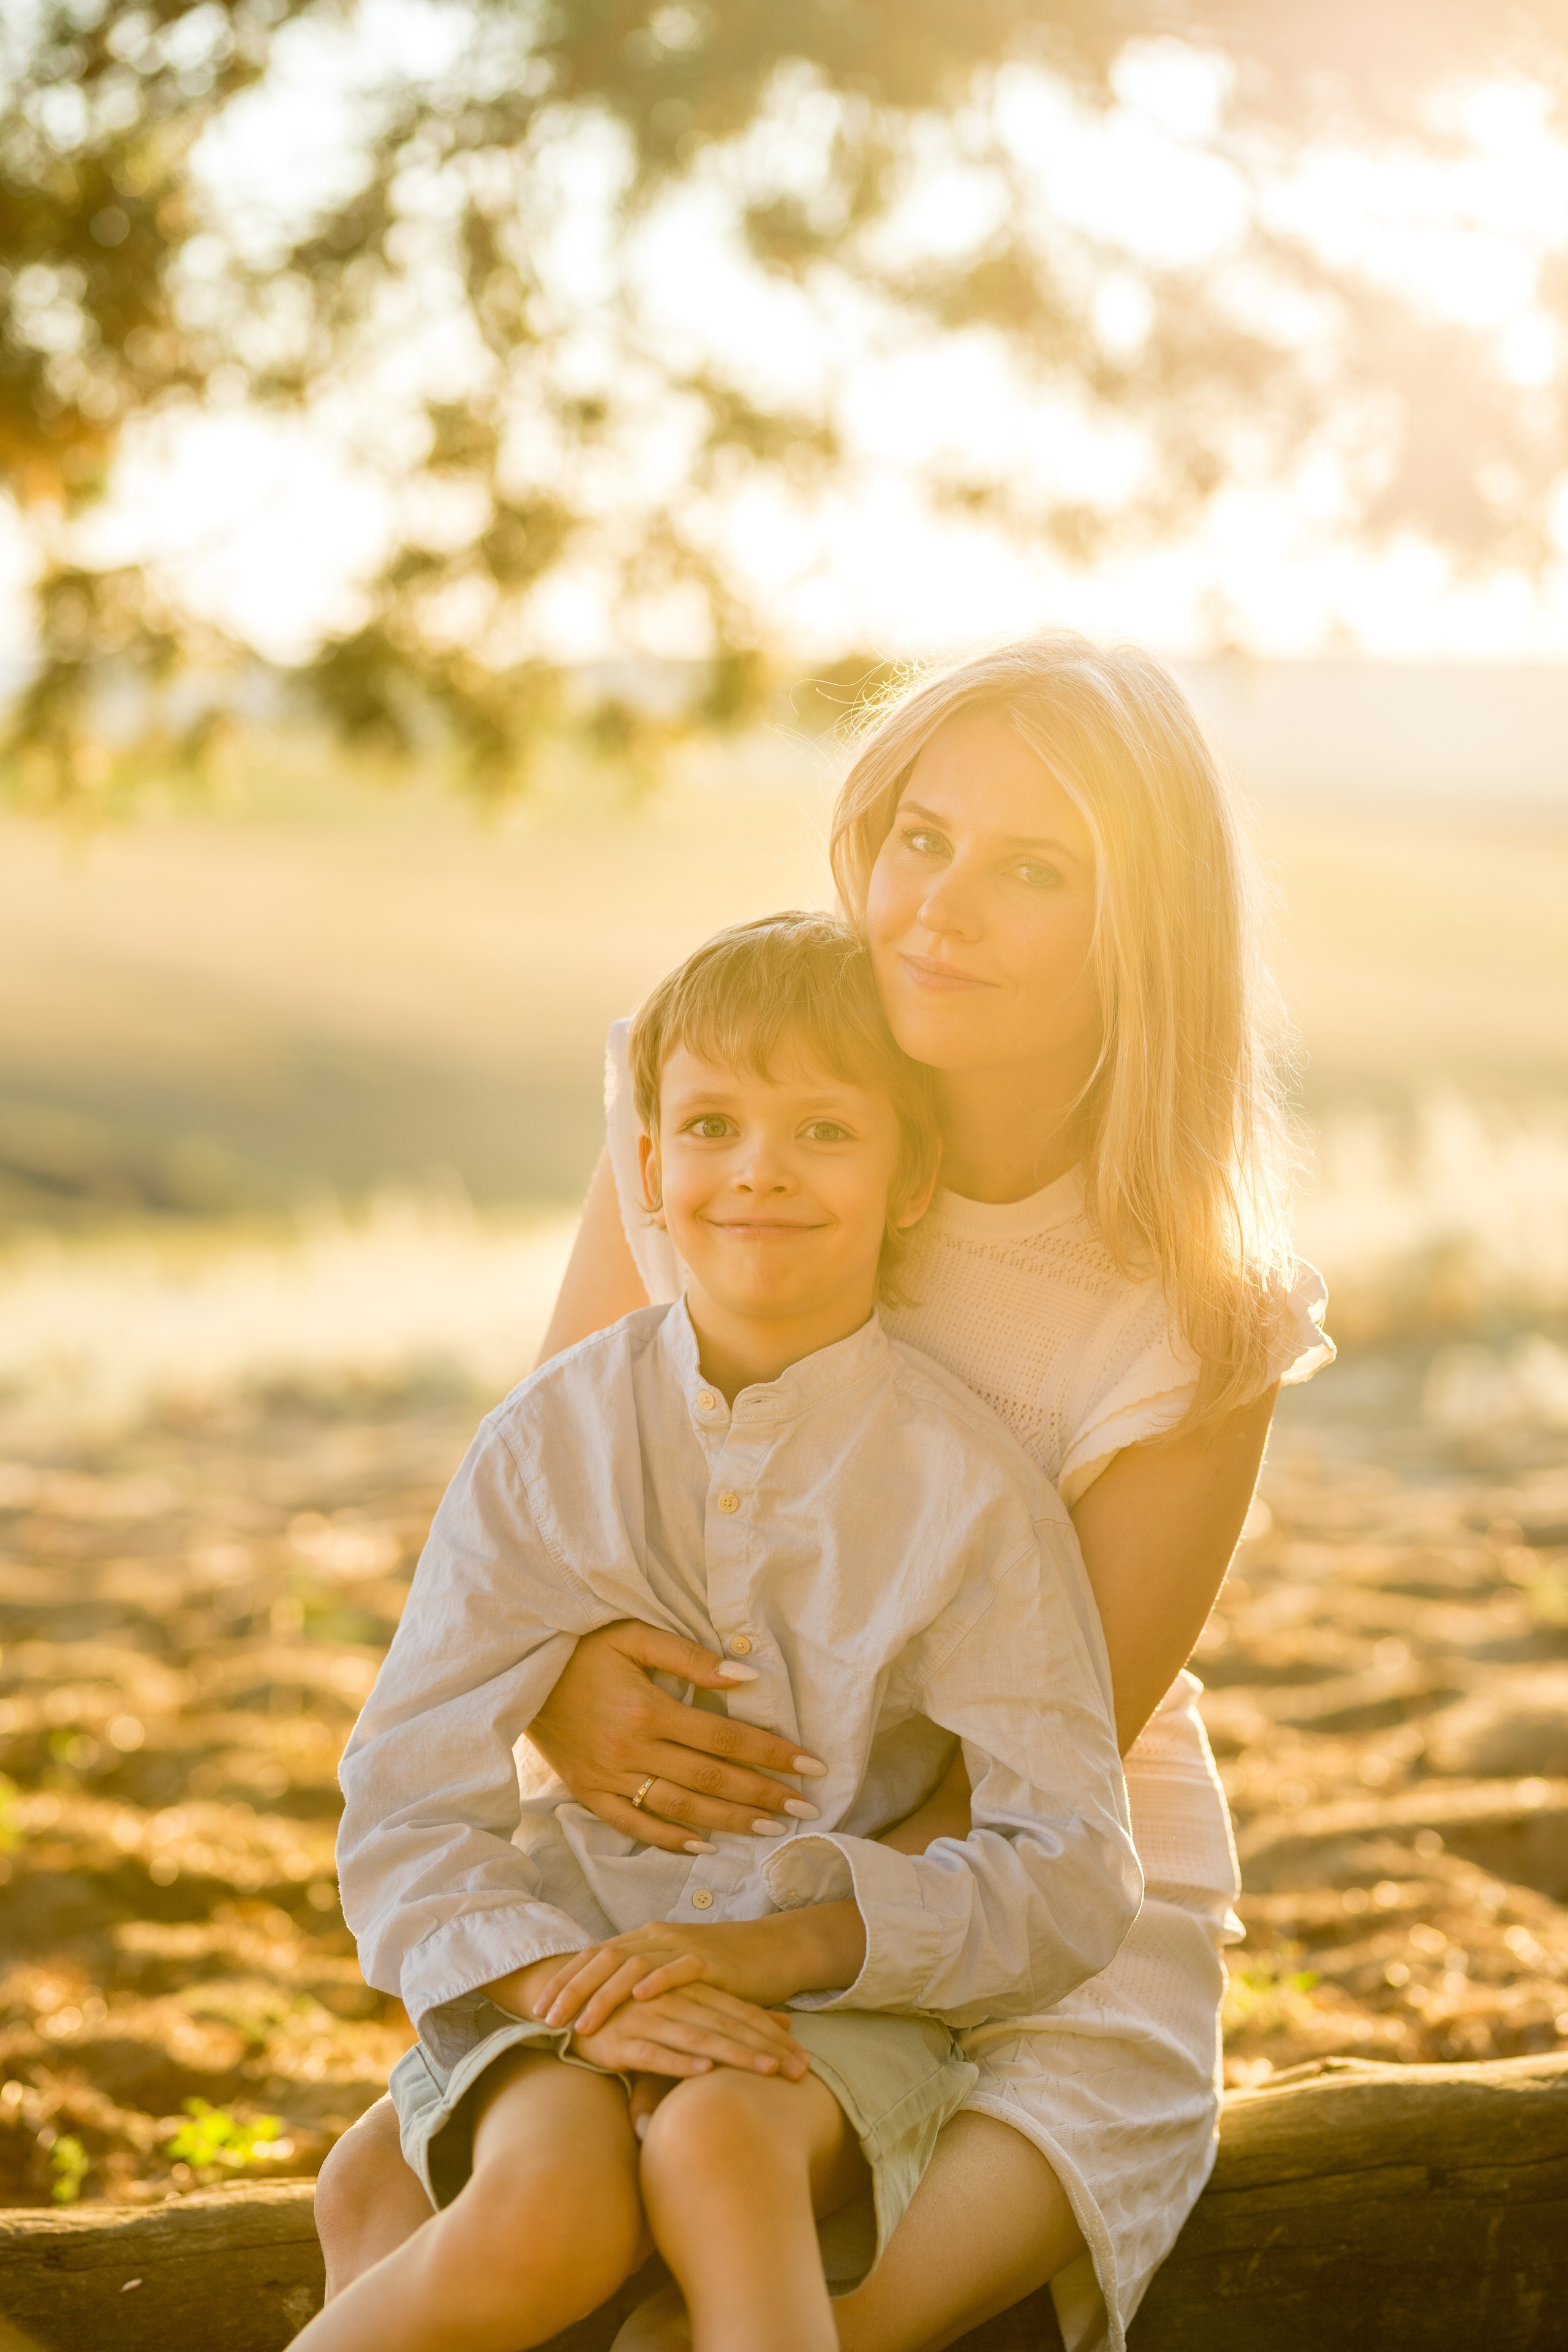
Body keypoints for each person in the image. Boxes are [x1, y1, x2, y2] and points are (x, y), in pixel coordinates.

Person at [314, 632, 1333, 2352]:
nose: (939, 907)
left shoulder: (1188, 1309)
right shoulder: (739, 1107)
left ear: (1139, 930)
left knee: (755, 2300)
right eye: (919, 836)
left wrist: (748, 1949)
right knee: (403, 2194)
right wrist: (567, 1698)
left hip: (1019, 1887)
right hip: (687, 1816)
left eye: (1033, 870)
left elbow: (1052, 1779)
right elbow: (566, 1488)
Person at [295, 912, 1142, 2352]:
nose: (756, 1168)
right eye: (709, 1126)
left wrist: (797, 1949)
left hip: (819, 2007)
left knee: (717, 2150)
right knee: (549, 2206)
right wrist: (558, 1985)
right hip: (553, 1975)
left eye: (822, 1128)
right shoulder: (548, 1446)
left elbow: (1071, 1865)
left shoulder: (963, 1490)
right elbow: (399, 1800)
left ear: (910, 1176)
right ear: (648, 1171)